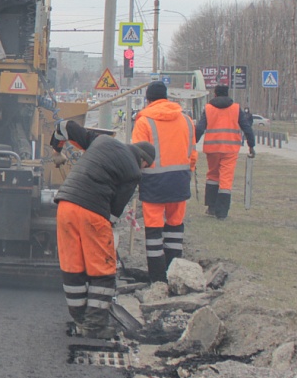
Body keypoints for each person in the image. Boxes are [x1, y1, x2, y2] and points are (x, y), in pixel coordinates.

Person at [52, 124, 155, 339]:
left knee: (73, 267)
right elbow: (114, 212)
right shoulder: (134, 171)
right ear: (144, 160)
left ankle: (81, 319)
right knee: (102, 271)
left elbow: (64, 126)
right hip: (93, 212)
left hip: (65, 206)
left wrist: (57, 150)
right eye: (146, 166)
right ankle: (95, 325)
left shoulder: (101, 141)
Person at [131, 81, 197, 281]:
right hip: (180, 180)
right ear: (166, 98)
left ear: (148, 100)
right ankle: (174, 274)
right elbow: (192, 154)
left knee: (154, 231)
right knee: (175, 227)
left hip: (153, 184)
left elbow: (137, 156)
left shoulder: (144, 122)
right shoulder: (186, 120)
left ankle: (157, 278)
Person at [194, 85, 256, 219]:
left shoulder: (208, 109)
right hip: (230, 149)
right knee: (226, 179)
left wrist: (193, 142)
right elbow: (247, 127)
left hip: (212, 149)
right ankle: (222, 212)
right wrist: (251, 145)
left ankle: (211, 207)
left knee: (212, 176)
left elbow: (199, 128)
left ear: (215, 95)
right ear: (227, 95)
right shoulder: (235, 108)